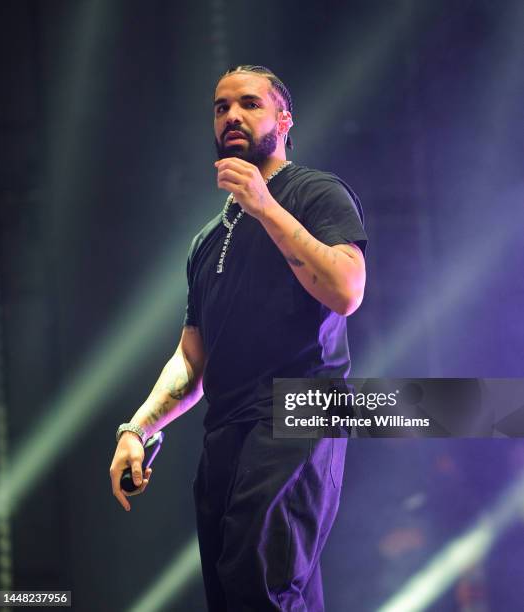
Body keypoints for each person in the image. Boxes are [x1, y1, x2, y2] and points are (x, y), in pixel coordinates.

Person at [109, 65, 368, 611]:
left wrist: (266, 206)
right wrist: (138, 428)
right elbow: (191, 357)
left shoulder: (315, 192)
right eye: (221, 107)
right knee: (236, 593)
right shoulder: (206, 241)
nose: (231, 116)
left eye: (249, 104)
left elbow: (346, 290)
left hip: (300, 406)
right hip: (228, 427)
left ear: (283, 119)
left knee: (258, 581)